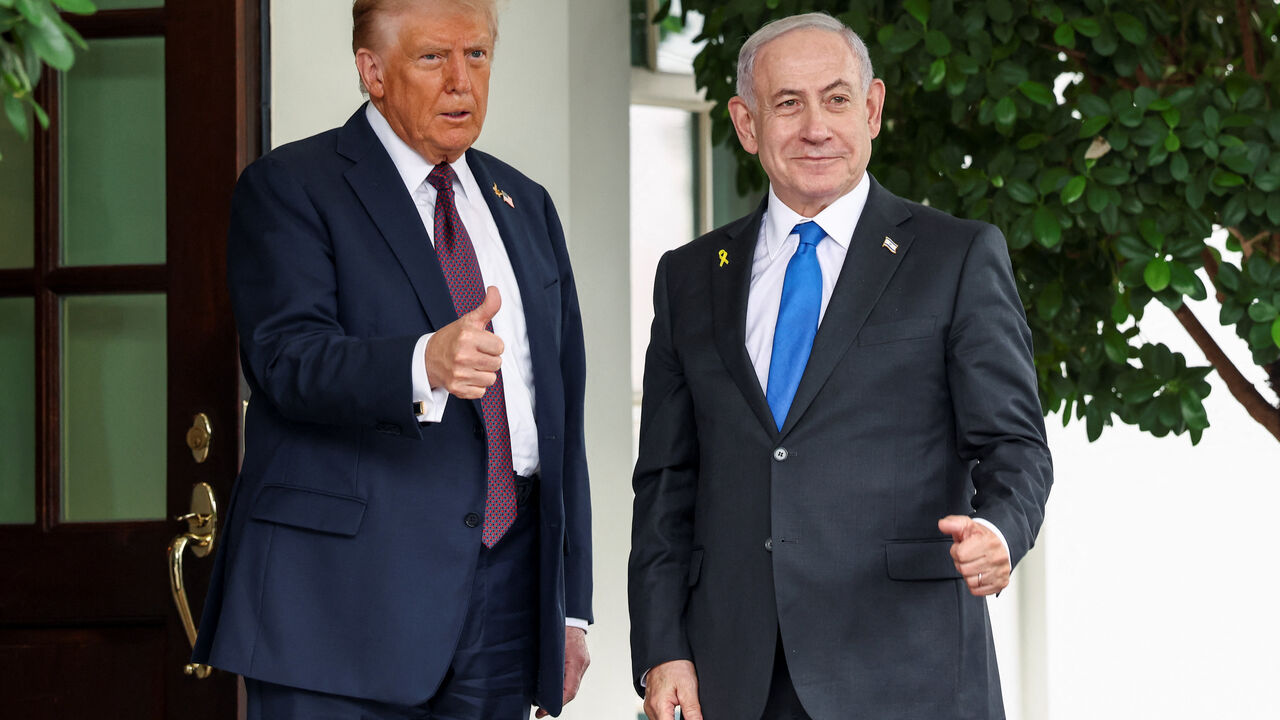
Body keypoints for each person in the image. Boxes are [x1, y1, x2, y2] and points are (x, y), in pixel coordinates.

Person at [628, 12, 1053, 720]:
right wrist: (663, 647)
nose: (815, 127)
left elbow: (1014, 443)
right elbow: (667, 483)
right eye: (787, 104)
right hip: (734, 676)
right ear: (745, 121)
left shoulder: (957, 257)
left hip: (903, 666)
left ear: (873, 108)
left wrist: (1002, 531)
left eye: (836, 99)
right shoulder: (689, 275)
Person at [191, 1, 591, 718]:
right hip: (338, 608)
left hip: (505, 601)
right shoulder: (291, 186)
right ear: (371, 71)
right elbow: (286, 361)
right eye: (433, 58)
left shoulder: (523, 203)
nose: (461, 82)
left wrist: (571, 608)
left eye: (477, 55)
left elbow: (561, 413)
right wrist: (422, 364)